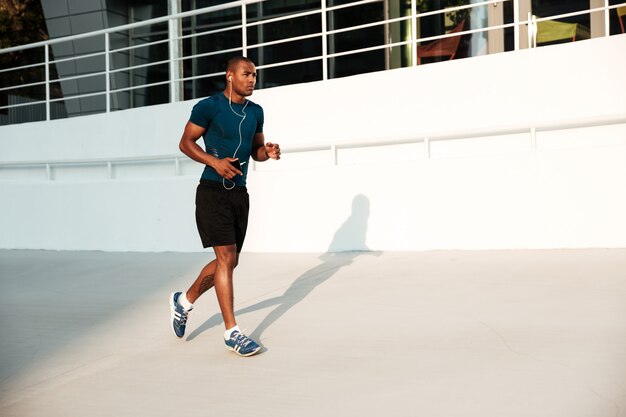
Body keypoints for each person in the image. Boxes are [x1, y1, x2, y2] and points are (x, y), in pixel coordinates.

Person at [170, 56, 280, 357]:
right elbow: (186, 143)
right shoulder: (209, 107)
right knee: (226, 256)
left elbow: (255, 150)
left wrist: (266, 152)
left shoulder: (256, 111)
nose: (252, 80)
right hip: (212, 192)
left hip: (239, 194)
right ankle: (232, 332)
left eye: (254, 75)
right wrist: (214, 162)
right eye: (246, 74)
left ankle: (184, 300)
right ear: (229, 75)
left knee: (228, 262)